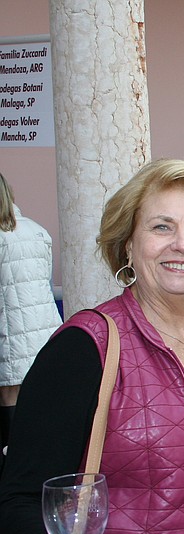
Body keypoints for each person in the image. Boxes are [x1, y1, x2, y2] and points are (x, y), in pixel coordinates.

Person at [0, 159, 184, 534]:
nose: (183, 244)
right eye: (162, 227)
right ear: (128, 245)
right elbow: (18, 500)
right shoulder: (84, 349)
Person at [0, 172, 62, 467]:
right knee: (38, 399)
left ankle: (14, 468)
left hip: (10, 332)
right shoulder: (37, 230)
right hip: (44, 329)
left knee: (10, 399)